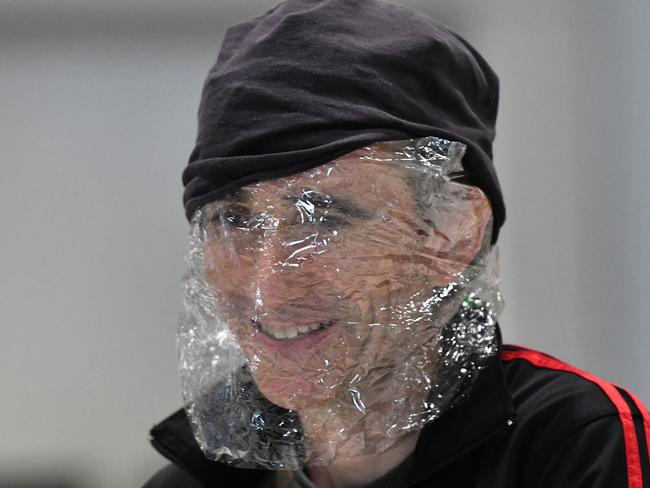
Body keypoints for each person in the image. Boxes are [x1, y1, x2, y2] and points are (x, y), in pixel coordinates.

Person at [144, 1, 650, 487]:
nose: (266, 287)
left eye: (324, 218)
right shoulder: (193, 480)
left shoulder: (572, 448)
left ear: (451, 235)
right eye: (233, 218)